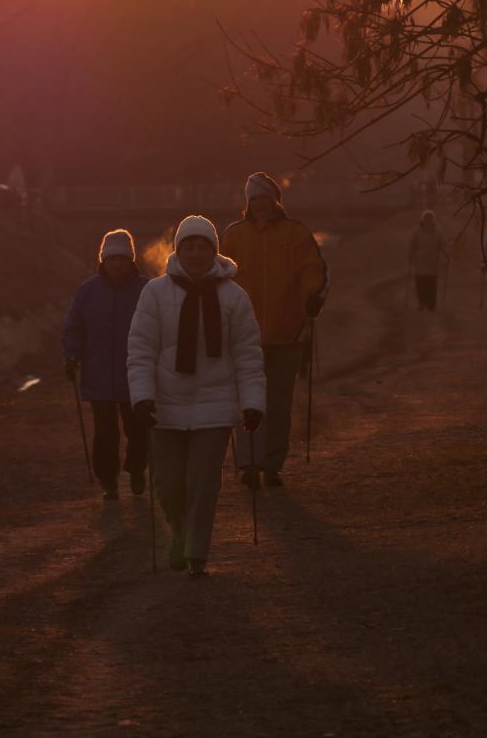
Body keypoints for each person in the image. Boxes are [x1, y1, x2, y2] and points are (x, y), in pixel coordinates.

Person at [127, 215, 265, 578]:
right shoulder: (155, 293)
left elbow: (248, 355)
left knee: (203, 483)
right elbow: (140, 349)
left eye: (203, 246)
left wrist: (252, 403)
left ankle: (196, 552)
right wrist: (142, 396)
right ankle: (178, 532)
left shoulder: (235, 297)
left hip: (215, 407)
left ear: (214, 251)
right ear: (178, 249)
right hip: (165, 406)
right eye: (188, 245)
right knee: (169, 484)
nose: (195, 252)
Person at [221, 172, 328, 488]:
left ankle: (272, 465)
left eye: (265, 199)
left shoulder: (296, 233)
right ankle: (249, 464)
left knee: (279, 404)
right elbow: (221, 278)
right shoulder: (234, 236)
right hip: (245, 336)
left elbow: (314, 270)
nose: (260, 205)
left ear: (275, 201)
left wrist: (312, 297)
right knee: (248, 402)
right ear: (248, 204)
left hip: (287, 333)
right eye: (254, 200)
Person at [63, 229, 149, 500]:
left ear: (130, 260)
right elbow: (75, 327)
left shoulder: (146, 290)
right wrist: (71, 355)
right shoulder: (87, 291)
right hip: (98, 374)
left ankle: (136, 469)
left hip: (136, 375)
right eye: (111, 259)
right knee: (105, 433)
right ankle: (108, 480)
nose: (117, 264)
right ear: (103, 260)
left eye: (122, 259)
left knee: (137, 430)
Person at [408, 210, 450, 312]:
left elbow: (443, 245)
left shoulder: (438, 232)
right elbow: (412, 245)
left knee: (431, 285)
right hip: (420, 263)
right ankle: (421, 303)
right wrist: (410, 255)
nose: (428, 221)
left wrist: (447, 254)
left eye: (430, 219)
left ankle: (431, 305)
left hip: (433, 263)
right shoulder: (417, 232)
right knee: (420, 285)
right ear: (423, 220)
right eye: (426, 219)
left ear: (432, 220)